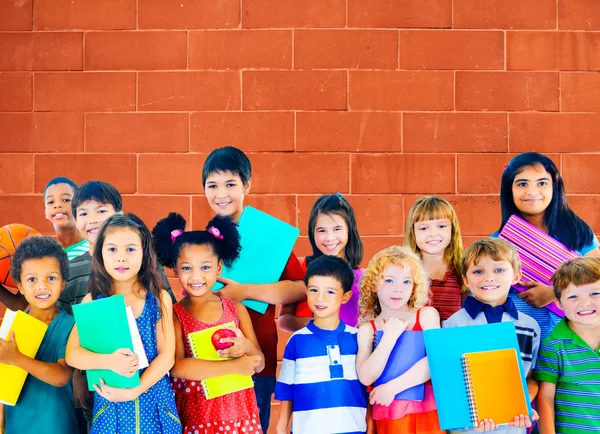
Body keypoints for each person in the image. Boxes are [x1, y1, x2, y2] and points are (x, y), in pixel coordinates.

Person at [201, 146, 305, 431]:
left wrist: (245, 292)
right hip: (211, 358)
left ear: (247, 185)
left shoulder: (268, 235)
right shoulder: (204, 239)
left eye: (231, 184)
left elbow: (298, 289)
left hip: (257, 357)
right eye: (213, 185)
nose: (221, 193)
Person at [65, 213, 180, 433]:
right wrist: (109, 361)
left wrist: (134, 391)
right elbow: (72, 354)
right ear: (99, 254)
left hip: (153, 401)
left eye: (130, 249)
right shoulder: (93, 301)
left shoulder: (158, 297)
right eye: (112, 249)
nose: (121, 258)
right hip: (111, 405)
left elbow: (167, 356)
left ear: (145, 253)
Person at [153, 212, 264, 434]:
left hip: (240, 414)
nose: (196, 277)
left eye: (205, 267)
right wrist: (232, 366)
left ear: (219, 267)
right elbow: (177, 367)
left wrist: (245, 347)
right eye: (186, 268)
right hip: (199, 416)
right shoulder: (175, 314)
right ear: (175, 269)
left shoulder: (235, 309)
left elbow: (259, 363)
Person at [495, 152, 600, 339]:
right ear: (509, 189)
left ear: (555, 187)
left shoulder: (577, 231)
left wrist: (553, 292)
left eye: (542, 183)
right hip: (522, 337)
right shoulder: (499, 241)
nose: (532, 191)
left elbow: (596, 275)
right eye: (522, 184)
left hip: (575, 338)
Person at [444, 238, 540, 433]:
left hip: (512, 427)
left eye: (499, 270)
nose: (489, 278)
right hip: (468, 428)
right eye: (478, 271)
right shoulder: (452, 325)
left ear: (516, 276)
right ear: (465, 279)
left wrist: (524, 404)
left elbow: (530, 378)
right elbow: (449, 382)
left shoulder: (530, 327)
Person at [275, 255, 367, 434]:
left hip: (353, 429)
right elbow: (286, 391)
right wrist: (280, 428)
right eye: (314, 290)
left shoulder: (358, 338)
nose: (320, 298)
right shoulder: (296, 341)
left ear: (345, 296)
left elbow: (368, 390)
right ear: (306, 292)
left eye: (330, 292)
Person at [357, 246, 444, 434]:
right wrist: (389, 337)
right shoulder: (367, 328)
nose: (398, 289)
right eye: (389, 280)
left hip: (428, 411)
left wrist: (392, 388)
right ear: (373, 284)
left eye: (406, 281)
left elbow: (436, 360)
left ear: (414, 286)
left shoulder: (427, 315)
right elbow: (366, 376)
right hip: (390, 414)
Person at [0, 236, 78, 434]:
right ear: (20, 286)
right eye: (32, 279)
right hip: (17, 425)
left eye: (51, 278)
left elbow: (62, 376)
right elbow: (4, 380)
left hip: (57, 426)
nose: (41, 286)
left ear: (63, 283)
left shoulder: (70, 325)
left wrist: (16, 358)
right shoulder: (13, 324)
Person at [279, 193, 364, 331]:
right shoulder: (300, 267)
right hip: (307, 350)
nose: (329, 238)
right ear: (312, 233)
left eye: (337, 229)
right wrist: (318, 324)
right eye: (322, 230)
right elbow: (283, 320)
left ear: (349, 230)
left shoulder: (362, 277)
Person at [536, 257, 600, 434]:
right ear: (558, 303)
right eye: (573, 296)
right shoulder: (554, 345)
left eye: (595, 293)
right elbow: (546, 397)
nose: (585, 302)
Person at [404, 196, 465, 322]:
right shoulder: (405, 270)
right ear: (413, 232)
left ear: (452, 230)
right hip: (417, 339)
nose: (433, 233)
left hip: (453, 339)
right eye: (424, 228)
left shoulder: (462, 268)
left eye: (441, 226)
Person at [44, 177, 89, 260]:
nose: (57, 205)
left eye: (66, 200)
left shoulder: (92, 249)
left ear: (80, 207)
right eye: (51, 202)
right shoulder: (49, 256)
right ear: (45, 212)